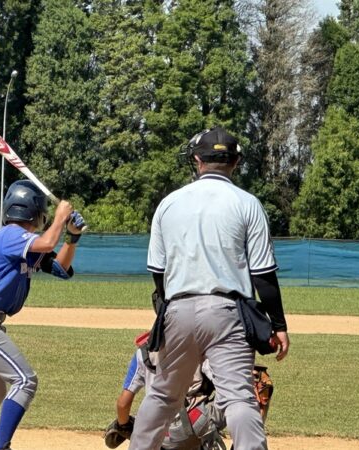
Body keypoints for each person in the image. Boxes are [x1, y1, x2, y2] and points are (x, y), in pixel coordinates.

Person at [129, 127, 290, 450]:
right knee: (239, 399)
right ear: (236, 161)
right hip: (228, 313)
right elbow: (263, 275)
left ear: (197, 160)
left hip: (177, 309)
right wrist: (279, 325)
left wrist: (166, 315)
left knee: (162, 395)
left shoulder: (169, 203)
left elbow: (158, 274)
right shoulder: (248, 204)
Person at [0, 180, 86, 450]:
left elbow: (60, 268)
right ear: (35, 211)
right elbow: (48, 242)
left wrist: (72, 236)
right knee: (24, 380)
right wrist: (60, 217)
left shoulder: (24, 243)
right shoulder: (10, 234)